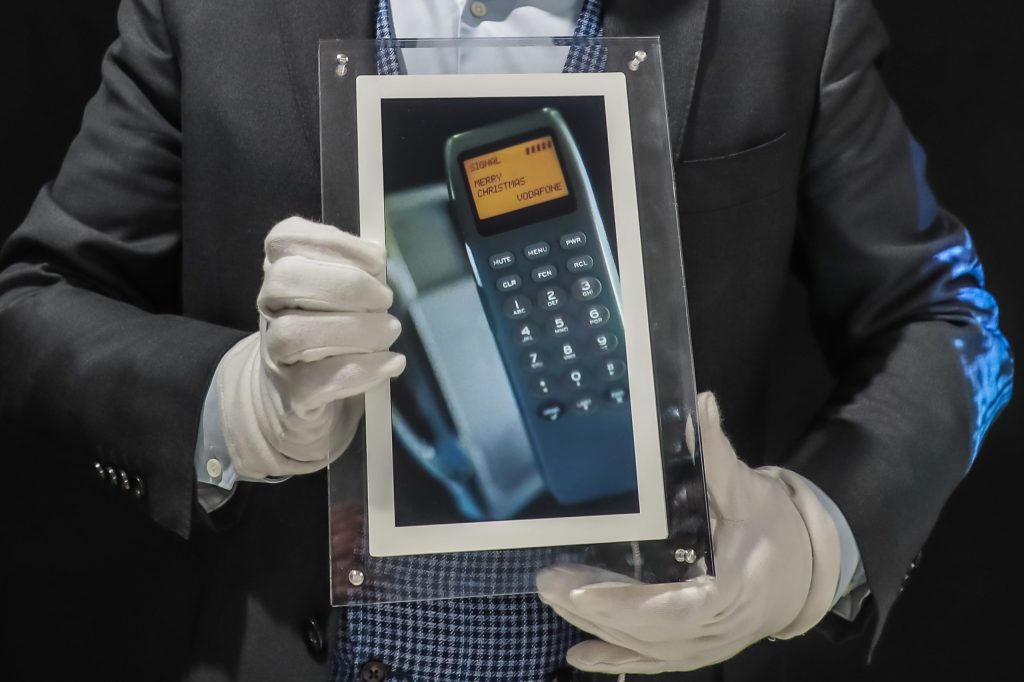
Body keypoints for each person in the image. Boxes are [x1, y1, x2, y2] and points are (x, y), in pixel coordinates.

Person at [0, 1, 1012, 681]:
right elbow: (37, 300)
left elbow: (945, 314)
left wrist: (812, 540)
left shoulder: (790, 16)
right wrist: (234, 406)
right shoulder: (203, 12)